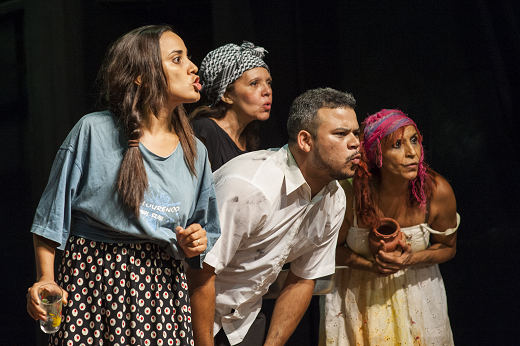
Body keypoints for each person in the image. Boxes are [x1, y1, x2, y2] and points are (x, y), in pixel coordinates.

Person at [25, 25, 221, 346]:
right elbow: (50, 217)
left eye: (188, 57)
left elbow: (204, 231)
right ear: (142, 76)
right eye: (177, 58)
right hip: (93, 279)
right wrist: (46, 277)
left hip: (161, 290)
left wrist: (195, 241)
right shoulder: (93, 130)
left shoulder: (195, 151)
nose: (192, 66)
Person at [196, 87, 361, 346]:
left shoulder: (335, 197)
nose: (355, 143)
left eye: (355, 133)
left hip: (244, 318)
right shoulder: (250, 187)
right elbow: (201, 272)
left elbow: (304, 277)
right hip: (187, 311)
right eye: (341, 134)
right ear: (306, 141)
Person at [320, 109, 459, 345]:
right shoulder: (350, 193)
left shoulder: (436, 191)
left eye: (414, 141)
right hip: (357, 298)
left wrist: (409, 260)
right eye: (397, 145)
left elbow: (448, 247)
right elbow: (329, 250)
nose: (412, 153)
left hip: (418, 300)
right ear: (377, 155)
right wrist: (369, 266)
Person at [189, 41, 272, 171]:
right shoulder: (206, 131)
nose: (267, 91)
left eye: (268, 82)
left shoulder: (247, 138)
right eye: (254, 83)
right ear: (226, 95)